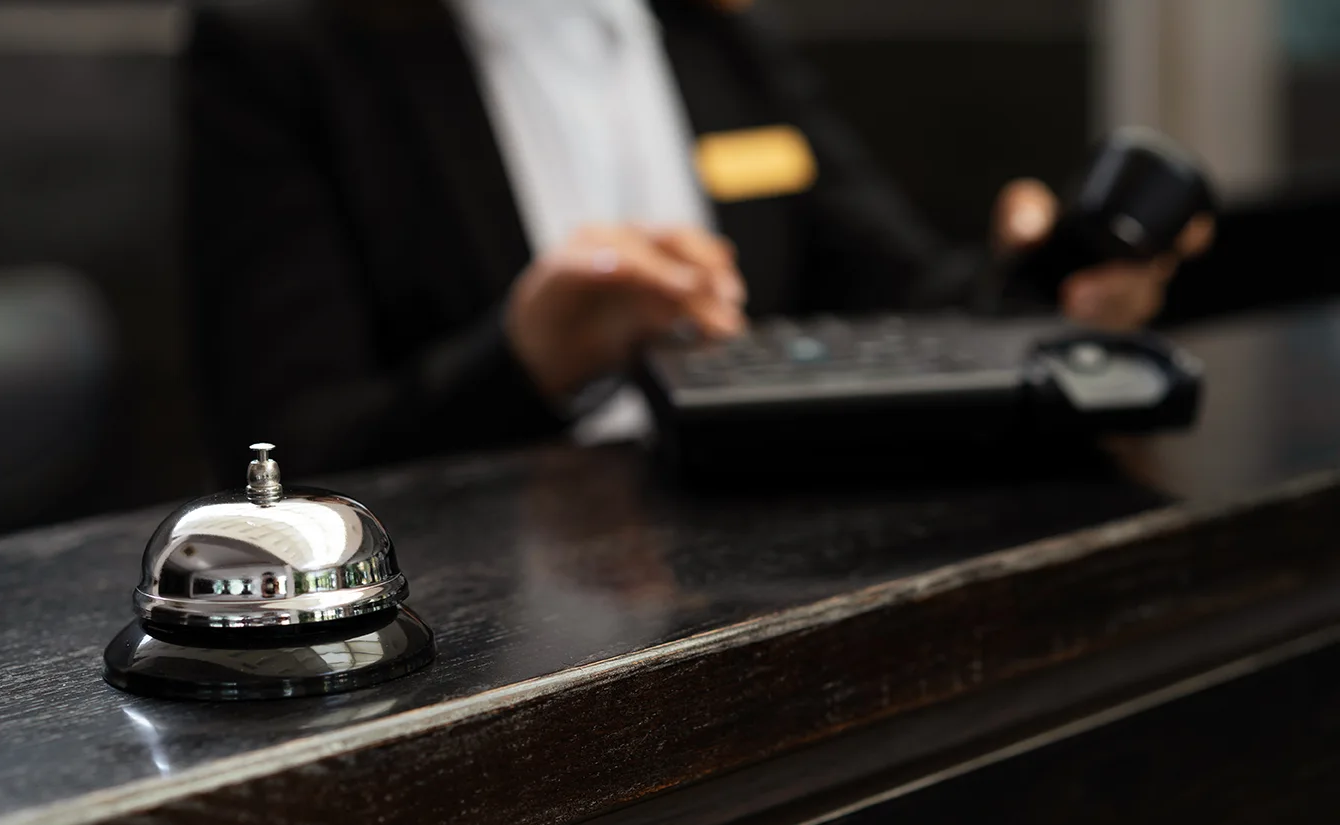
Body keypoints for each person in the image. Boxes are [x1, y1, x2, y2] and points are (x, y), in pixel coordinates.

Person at [186, 0, 1212, 476]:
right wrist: (528, 363)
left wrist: (1043, 284)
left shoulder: (718, 38)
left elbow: (906, 302)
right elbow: (283, 451)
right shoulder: (286, 49)